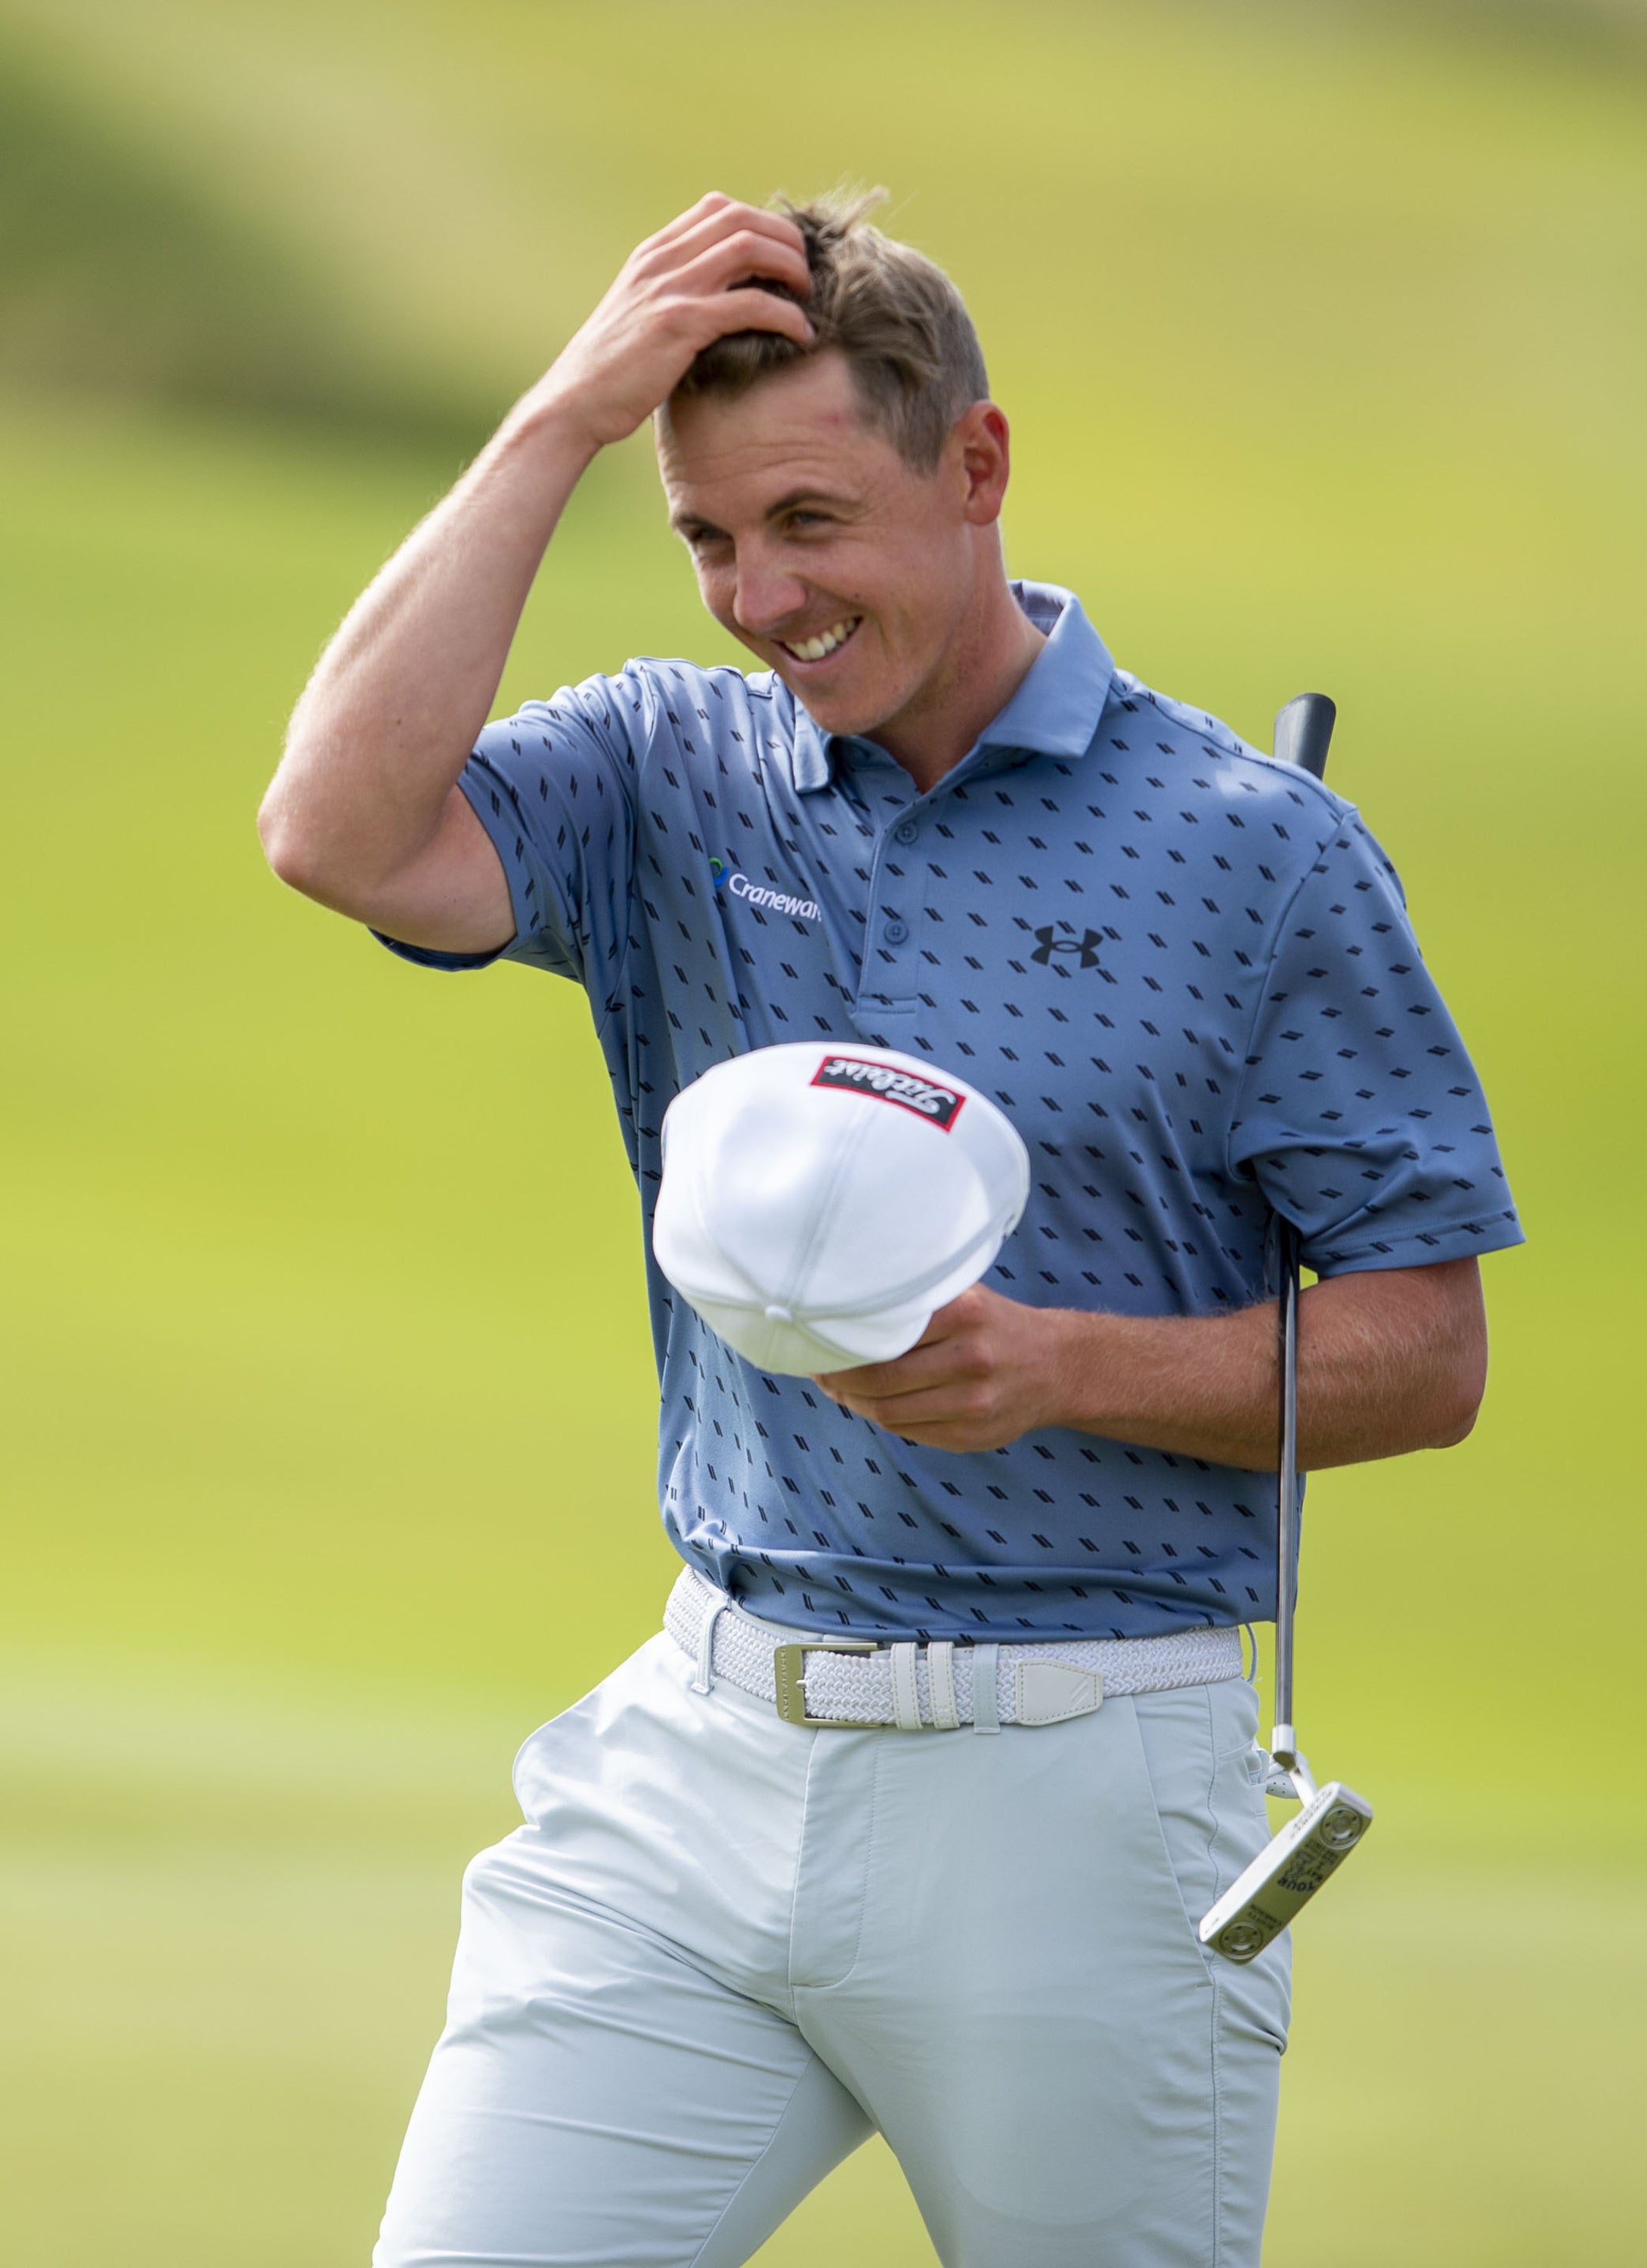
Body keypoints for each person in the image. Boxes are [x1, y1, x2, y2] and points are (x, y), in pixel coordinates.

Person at [259, 190, 1522, 2268]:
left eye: (810, 521)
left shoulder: (1257, 860)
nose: (757, 593)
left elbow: (1423, 1354)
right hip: (693, 1759)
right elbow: (337, 829)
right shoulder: (667, 765)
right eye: (707, 537)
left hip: (1087, 1799)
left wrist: (1059, 1368)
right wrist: (563, 417)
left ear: (977, 468)